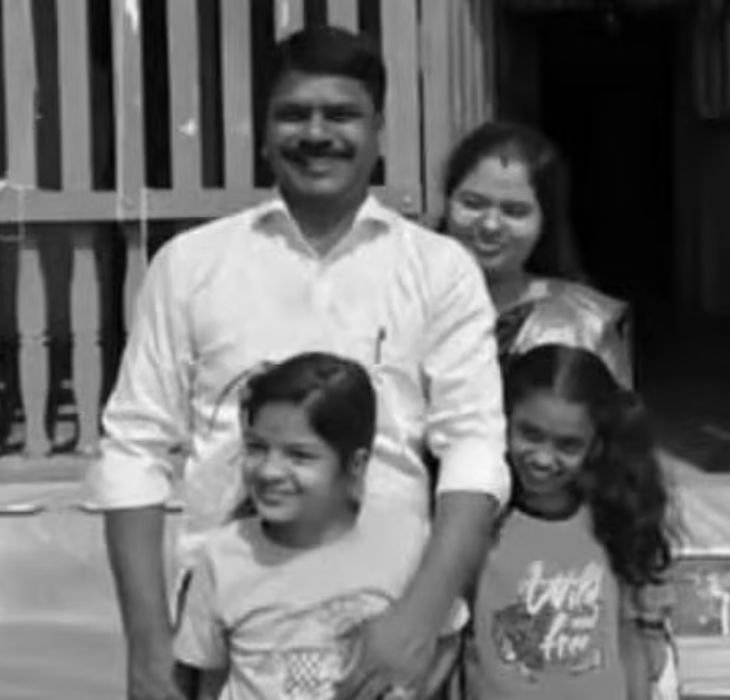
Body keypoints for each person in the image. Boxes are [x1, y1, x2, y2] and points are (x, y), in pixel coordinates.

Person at [88, 25, 508, 700]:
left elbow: (474, 449)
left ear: (378, 131)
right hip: (228, 637)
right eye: (293, 114)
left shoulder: (438, 270)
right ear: (263, 131)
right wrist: (146, 642)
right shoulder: (191, 266)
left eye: (341, 114)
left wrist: (420, 616)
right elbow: (134, 448)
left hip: (386, 627)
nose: (316, 133)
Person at [172, 353, 459, 700]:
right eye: (257, 448)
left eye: (299, 455)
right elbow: (208, 681)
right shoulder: (222, 557)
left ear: (356, 465)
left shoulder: (406, 542)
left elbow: (447, 639)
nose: (270, 471)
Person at [461, 344, 679, 700]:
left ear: (595, 445)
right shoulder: (477, 522)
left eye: (567, 445)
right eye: (530, 434)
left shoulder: (613, 521)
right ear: (503, 421)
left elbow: (628, 640)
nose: (544, 458)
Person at [441, 121, 633, 387]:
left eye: (514, 211)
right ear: (447, 203)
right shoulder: (402, 299)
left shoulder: (585, 324)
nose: (490, 225)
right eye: (472, 204)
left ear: (545, 220)